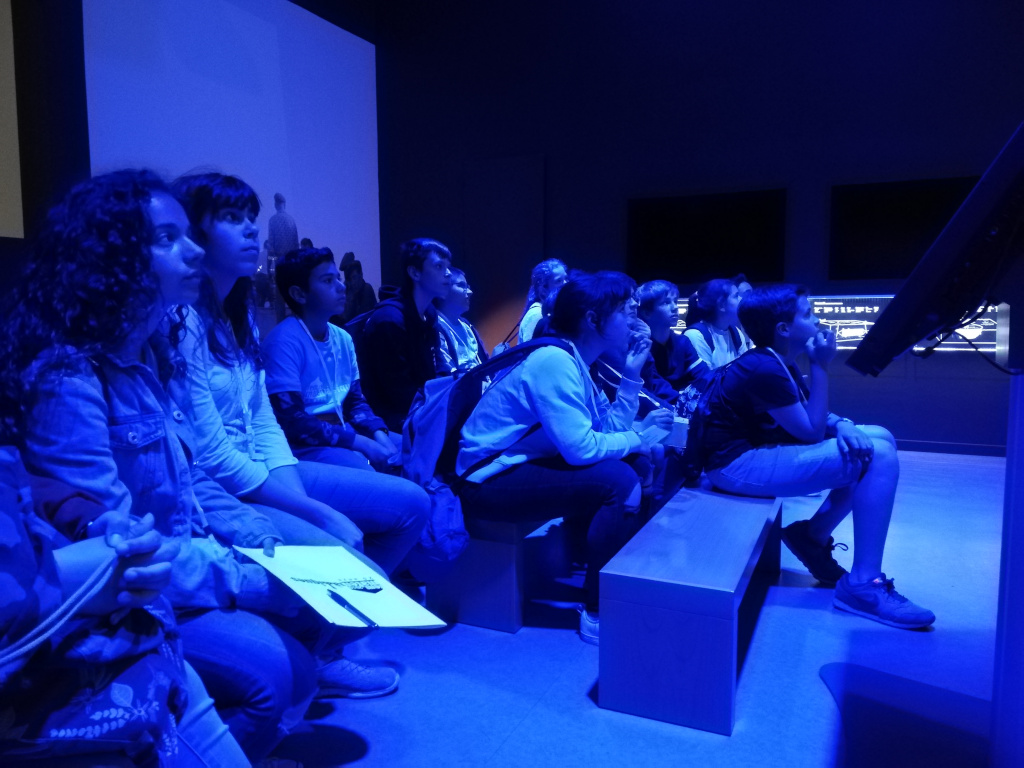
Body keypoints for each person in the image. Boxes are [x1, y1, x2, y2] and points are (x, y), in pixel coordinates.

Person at [0, 169, 354, 762]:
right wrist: (250, 579)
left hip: (182, 562)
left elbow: (192, 480)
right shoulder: (69, 378)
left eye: (189, 234)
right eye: (167, 239)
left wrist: (259, 539)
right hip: (131, 600)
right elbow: (121, 554)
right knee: (278, 675)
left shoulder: (149, 354)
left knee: (317, 603)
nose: (193, 250)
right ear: (109, 258)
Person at [173, 174, 427, 581]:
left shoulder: (242, 316)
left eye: (251, 217)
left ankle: (348, 605)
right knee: (344, 530)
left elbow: (264, 421)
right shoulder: (184, 321)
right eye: (233, 218)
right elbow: (220, 449)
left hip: (267, 465)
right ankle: (345, 601)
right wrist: (309, 509)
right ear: (193, 234)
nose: (252, 229)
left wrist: (299, 499)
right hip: (222, 485)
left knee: (414, 501)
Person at [698, 284, 934, 629]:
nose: (818, 318)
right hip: (733, 466)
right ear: (784, 329)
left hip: (748, 456)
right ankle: (863, 585)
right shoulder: (765, 367)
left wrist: (844, 424)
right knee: (878, 455)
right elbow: (809, 430)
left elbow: (811, 412)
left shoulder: (776, 360)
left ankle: (811, 536)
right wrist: (821, 364)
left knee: (879, 436)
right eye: (808, 313)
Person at [456, 271, 673, 645]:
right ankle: (598, 608)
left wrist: (631, 376)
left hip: (520, 465)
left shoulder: (574, 360)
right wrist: (637, 438)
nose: (633, 317)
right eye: (624, 309)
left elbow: (604, 432)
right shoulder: (553, 361)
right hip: (484, 480)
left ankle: (617, 573)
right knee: (618, 481)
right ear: (592, 319)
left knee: (634, 465)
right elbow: (582, 449)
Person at [0, 446, 251, 767]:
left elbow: (15, 476)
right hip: (38, 676)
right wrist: (57, 579)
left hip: (122, 622)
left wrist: (87, 518)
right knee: (273, 679)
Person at [356, 238, 452, 432]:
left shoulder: (429, 313)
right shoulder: (388, 320)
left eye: (448, 266)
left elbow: (439, 364)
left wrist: (446, 392)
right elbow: (397, 392)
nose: (448, 273)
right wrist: (436, 406)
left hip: (423, 407)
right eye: (439, 266)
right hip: (391, 417)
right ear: (415, 272)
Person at [683, 278, 754, 369]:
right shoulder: (696, 335)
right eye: (736, 296)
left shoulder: (736, 333)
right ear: (721, 305)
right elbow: (705, 377)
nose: (741, 299)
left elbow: (745, 371)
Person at [435, 267, 488, 373]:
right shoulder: (436, 327)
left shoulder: (467, 326)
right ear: (443, 290)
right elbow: (448, 374)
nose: (470, 292)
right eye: (461, 286)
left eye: (467, 287)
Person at [517, 258, 568, 343]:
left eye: (566, 278)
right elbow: (532, 349)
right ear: (543, 289)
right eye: (559, 281)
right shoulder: (536, 315)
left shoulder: (552, 312)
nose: (566, 284)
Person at [339, 251, 377, 323]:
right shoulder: (347, 290)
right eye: (350, 279)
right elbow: (342, 318)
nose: (352, 282)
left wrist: (352, 297)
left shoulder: (366, 289)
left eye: (354, 277)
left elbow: (362, 319)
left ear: (361, 275)